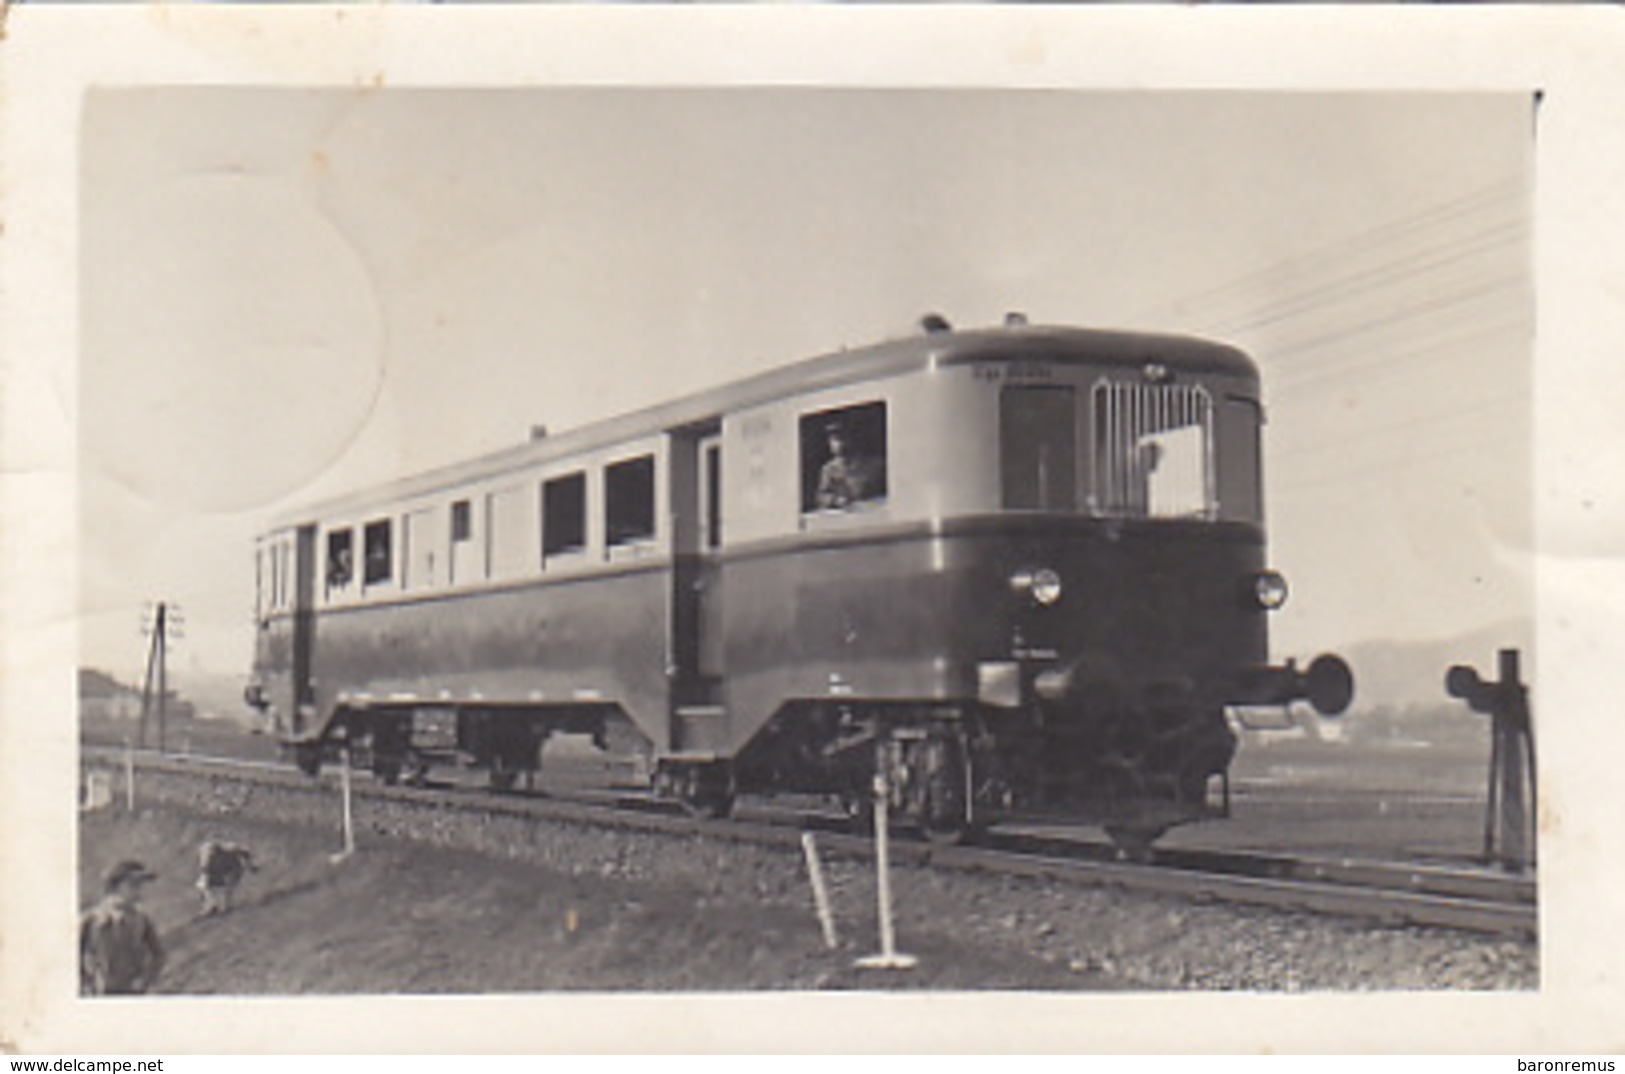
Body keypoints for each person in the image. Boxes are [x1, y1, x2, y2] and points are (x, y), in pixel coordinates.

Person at [80, 860, 165, 995]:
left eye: (140, 886)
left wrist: (145, 980)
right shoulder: (92, 919)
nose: (138, 891)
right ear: (115, 887)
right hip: (101, 993)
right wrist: (86, 983)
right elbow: (73, 955)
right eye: (133, 886)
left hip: (133, 991)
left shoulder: (141, 919)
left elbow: (159, 955)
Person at [816, 422, 884, 509]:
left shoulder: (874, 463)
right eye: (834, 440)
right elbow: (821, 496)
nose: (838, 444)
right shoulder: (828, 469)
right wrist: (835, 500)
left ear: (852, 439)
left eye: (842, 438)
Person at [196, 839, 257, 916]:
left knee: (227, 887)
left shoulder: (230, 849)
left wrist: (251, 866)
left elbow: (245, 852)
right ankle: (211, 906)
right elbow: (205, 873)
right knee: (205, 887)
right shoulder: (205, 856)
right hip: (217, 870)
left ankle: (226, 905)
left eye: (215, 853)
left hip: (233, 868)